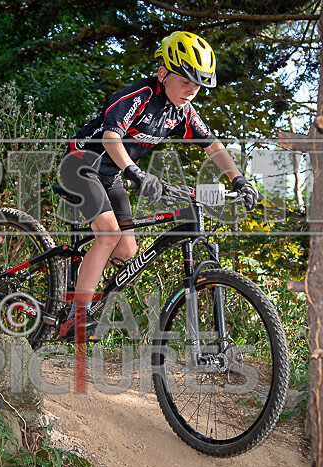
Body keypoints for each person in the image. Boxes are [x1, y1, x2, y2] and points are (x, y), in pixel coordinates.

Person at [58, 30, 260, 341]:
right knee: (109, 234)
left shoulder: (181, 112)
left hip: (110, 176)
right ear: (163, 72)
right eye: (185, 81)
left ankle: (82, 284)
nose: (191, 90)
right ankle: (76, 315)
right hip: (80, 165)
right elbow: (110, 137)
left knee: (127, 250)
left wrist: (238, 179)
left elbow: (214, 147)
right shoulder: (138, 96)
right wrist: (136, 172)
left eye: (198, 85)